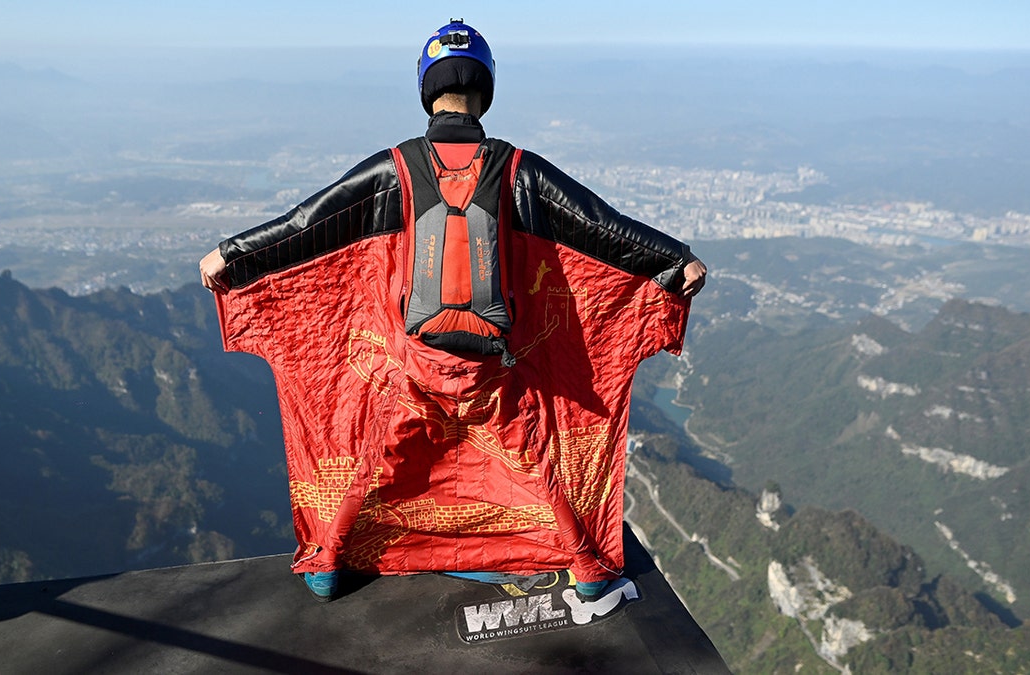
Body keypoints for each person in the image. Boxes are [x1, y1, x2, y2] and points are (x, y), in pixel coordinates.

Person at [200, 19, 706, 602]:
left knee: (377, 457)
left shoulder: (396, 168)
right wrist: (676, 263)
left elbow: (306, 226)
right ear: (484, 89)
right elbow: (604, 229)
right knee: (535, 459)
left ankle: (326, 566)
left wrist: (231, 257)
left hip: (414, 361)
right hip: (493, 363)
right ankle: (590, 573)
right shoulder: (517, 170)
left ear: (425, 87)